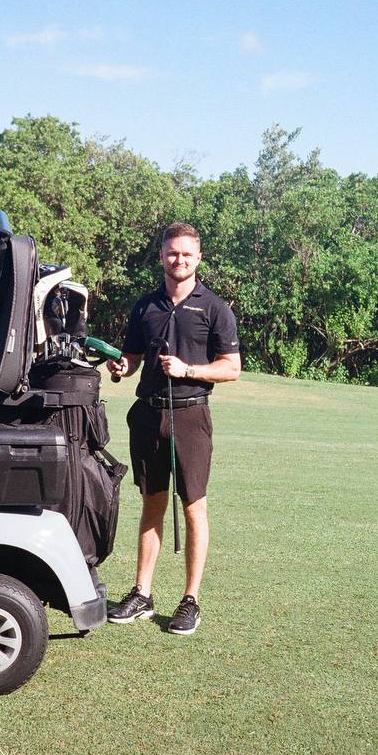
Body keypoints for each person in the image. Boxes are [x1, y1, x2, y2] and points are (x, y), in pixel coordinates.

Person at [105, 223, 241, 635]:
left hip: (191, 415)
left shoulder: (214, 308)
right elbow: (130, 358)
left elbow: (231, 367)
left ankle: (190, 600)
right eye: (171, 253)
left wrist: (189, 370)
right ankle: (142, 594)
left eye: (186, 254)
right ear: (161, 256)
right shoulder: (145, 307)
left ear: (198, 258)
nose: (178, 260)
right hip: (148, 414)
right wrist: (120, 368)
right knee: (152, 503)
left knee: (193, 506)